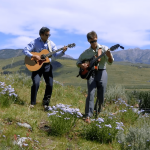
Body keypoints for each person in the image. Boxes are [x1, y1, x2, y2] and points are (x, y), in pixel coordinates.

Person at [23, 27, 67, 110]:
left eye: (49, 34)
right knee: (36, 83)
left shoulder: (51, 44)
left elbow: (55, 55)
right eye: (47, 35)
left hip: (47, 66)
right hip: (36, 66)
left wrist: (63, 51)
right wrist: (33, 56)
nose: (48, 36)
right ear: (41, 35)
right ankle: (32, 103)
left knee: (50, 84)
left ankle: (45, 103)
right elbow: (25, 50)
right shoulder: (35, 42)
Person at [76, 31, 114, 123]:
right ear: (89, 41)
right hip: (91, 73)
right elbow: (78, 62)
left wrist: (109, 56)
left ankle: (98, 113)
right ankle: (88, 115)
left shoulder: (104, 49)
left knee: (101, 94)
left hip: (102, 72)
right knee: (91, 93)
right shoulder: (87, 52)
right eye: (92, 41)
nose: (94, 43)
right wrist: (82, 66)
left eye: (95, 41)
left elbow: (110, 62)